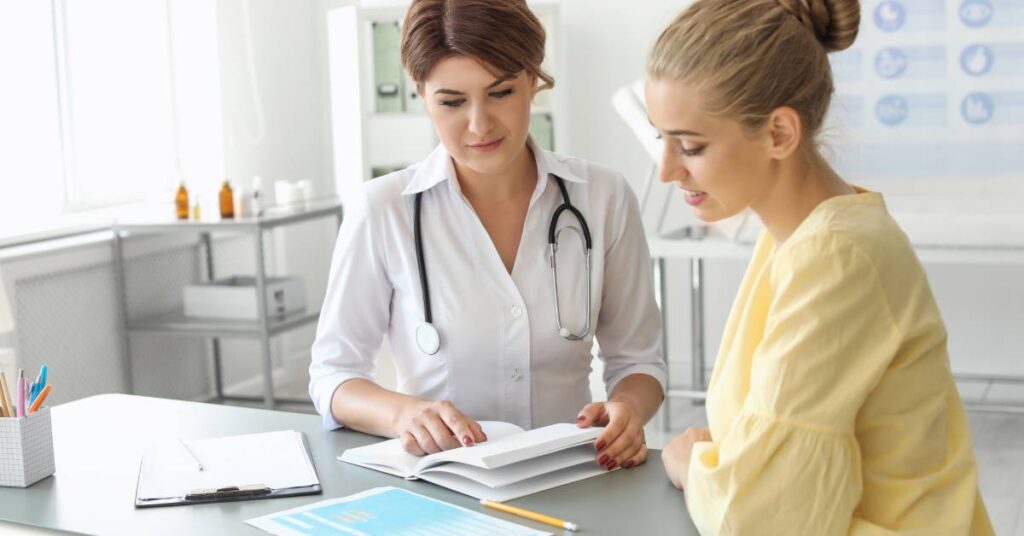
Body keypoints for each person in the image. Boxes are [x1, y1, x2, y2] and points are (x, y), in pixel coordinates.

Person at [645, 0, 994, 533]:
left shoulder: (836, 259)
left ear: (779, 134)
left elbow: (761, 514)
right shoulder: (802, 236)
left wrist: (694, 466)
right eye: (660, 140)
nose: (668, 170)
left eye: (690, 146)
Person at [309, 0, 665, 472]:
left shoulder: (603, 198)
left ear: (533, 82)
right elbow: (333, 375)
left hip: (572, 476)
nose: (479, 124)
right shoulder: (383, 209)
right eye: (452, 101)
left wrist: (627, 411)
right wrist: (404, 414)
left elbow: (640, 362)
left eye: (500, 93)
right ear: (421, 93)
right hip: (442, 488)